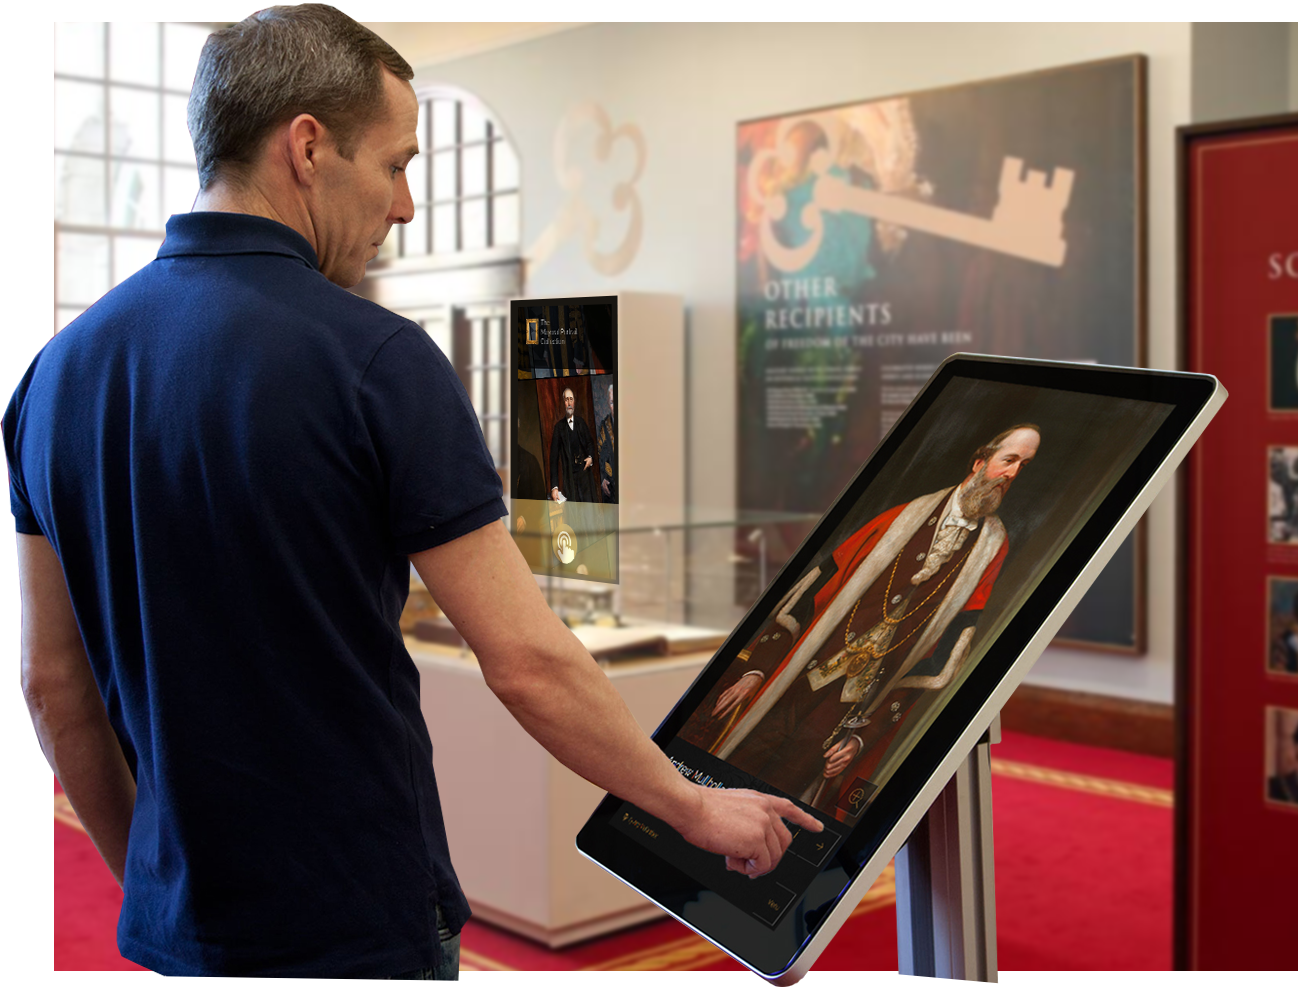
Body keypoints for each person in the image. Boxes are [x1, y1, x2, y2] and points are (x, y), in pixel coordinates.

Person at [8, 7, 818, 984]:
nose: (404, 206)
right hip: (352, 919)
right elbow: (523, 658)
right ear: (306, 146)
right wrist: (688, 805)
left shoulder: (54, 376)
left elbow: (54, 689)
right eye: (395, 165)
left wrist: (153, 884)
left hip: (184, 931)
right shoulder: (375, 360)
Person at [680, 425, 1038, 819]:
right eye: (1009, 460)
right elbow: (812, 594)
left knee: (783, 802)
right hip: (799, 677)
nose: (1013, 474)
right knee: (731, 777)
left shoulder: (992, 547)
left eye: (1024, 465)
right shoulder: (904, 516)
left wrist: (863, 739)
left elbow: (938, 658)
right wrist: (759, 670)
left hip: (845, 712)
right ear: (980, 462)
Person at [549, 386, 597, 503]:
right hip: (570, 479)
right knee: (576, 514)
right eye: (566, 400)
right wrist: (554, 487)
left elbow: (591, 443)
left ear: (574, 402)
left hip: (585, 476)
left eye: (571, 399)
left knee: (589, 512)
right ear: (563, 403)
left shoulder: (581, 423)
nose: (569, 403)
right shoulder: (559, 428)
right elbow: (553, 459)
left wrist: (590, 458)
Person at [598, 383, 618, 504]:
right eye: (612, 402)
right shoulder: (604, 427)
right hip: (613, 485)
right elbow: (600, 455)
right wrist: (603, 478)